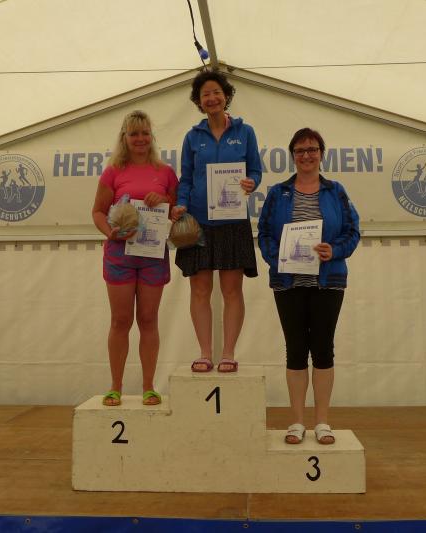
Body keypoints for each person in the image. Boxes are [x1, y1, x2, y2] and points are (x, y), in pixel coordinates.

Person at [257, 128, 360, 445]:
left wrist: (334, 250)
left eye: (312, 149)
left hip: (328, 282)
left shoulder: (336, 191)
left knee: (324, 349)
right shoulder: (278, 193)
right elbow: (264, 234)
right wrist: (279, 259)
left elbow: (353, 231)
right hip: (288, 283)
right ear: (293, 155)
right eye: (300, 150)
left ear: (321, 154)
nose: (306, 155)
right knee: (296, 350)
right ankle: (297, 422)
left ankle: (322, 422)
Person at [171, 70, 262, 373]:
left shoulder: (245, 132)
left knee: (232, 290)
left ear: (226, 96)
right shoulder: (192, 137)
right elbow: (185, 178)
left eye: (216, 92)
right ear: (199, 101)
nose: (211, 98)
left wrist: (252, 182)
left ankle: (229, 354)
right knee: (200, 291)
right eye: (205, 94)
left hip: (232, 220)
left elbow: (255, 171)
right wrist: (181, 204)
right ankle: (205, 353)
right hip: (198, 223)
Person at [92, 110, 179, 406]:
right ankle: (115, 386)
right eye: (134, 134)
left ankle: (148, 387)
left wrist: (165, 200)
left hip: (153, 254)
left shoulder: (165, 172)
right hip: (120, 255)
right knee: (120, 320)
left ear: (151, 136)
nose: (140, 139)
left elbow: (177, 210)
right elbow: (98, 211)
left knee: (148, 319)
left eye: (144, 133)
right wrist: (111, 233)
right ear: (124, 138)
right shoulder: (113, 171)